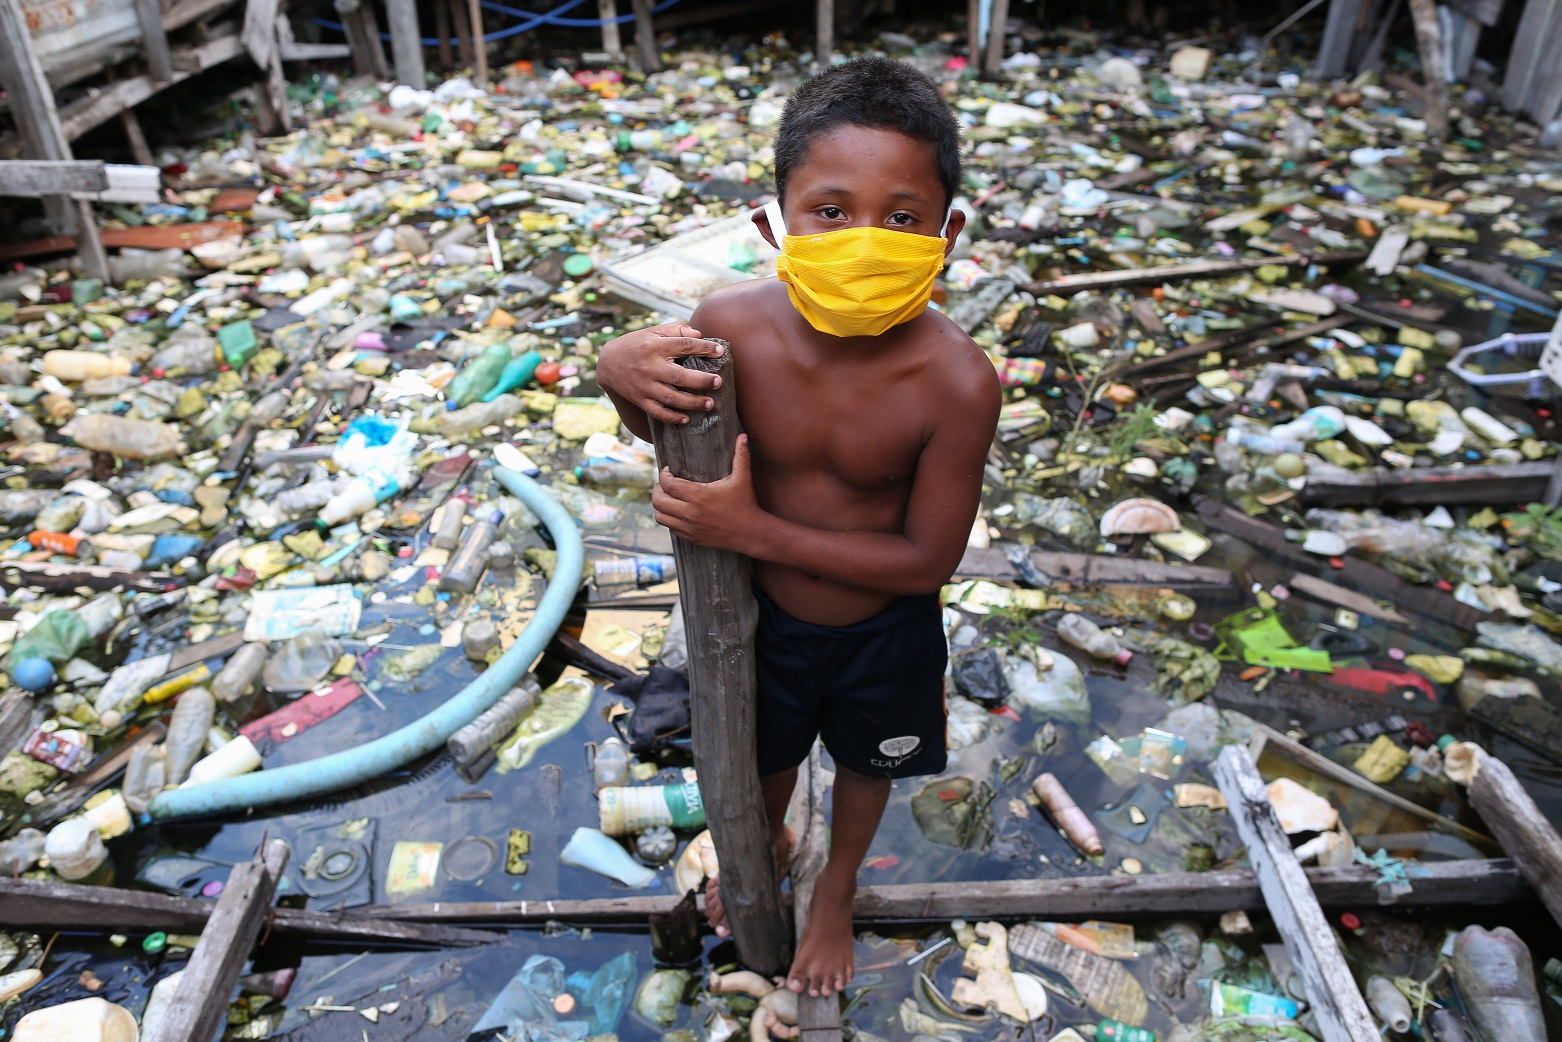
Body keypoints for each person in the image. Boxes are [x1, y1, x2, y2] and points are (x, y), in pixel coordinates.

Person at [597, 55, 1001, 998]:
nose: (864, 240)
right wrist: (617, 374)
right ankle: (767, 842)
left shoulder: (957, 380)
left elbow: (927, 561)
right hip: (763, 623)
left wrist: (752, 532)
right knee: (760, 759)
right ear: (771, 222)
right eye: (830, 211)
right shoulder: (730, 326)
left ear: (948, 232)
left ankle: (836, 889)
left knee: (866, 770)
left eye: (902, 219)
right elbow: (675, 434)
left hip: (885, 630)